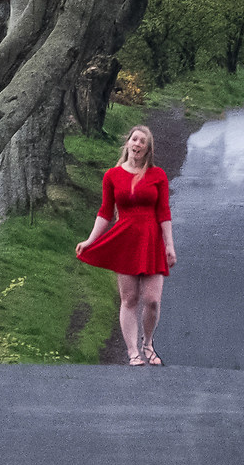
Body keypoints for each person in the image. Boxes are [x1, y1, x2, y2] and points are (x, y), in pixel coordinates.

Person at [75, 124, 176, 366]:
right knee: (129, 299)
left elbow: (163, 212)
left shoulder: (157, 175)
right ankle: (132, 352)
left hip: (152, 241)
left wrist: (169, 245)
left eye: (143, 142)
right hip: (126, 240)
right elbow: (105, 212)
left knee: (152, 300)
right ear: (128, 143)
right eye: (135, 139)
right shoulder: (112, 175)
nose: (138, 144)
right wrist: (91, 240)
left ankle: (148, 344)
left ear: (148, 149)